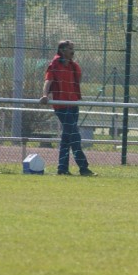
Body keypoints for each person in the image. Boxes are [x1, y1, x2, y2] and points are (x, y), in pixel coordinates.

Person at [40, 40, 95, 176]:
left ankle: (62, 168)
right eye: (70, 48)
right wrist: (45, 95)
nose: (72, 51)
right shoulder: (54, 65)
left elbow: (78, 81)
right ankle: (83, 168)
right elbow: (48, 81)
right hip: (62, 106)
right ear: (62, 50)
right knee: (75, 136)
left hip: (73, 105)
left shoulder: (73, 66)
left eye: (72, 48)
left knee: (66, 138)